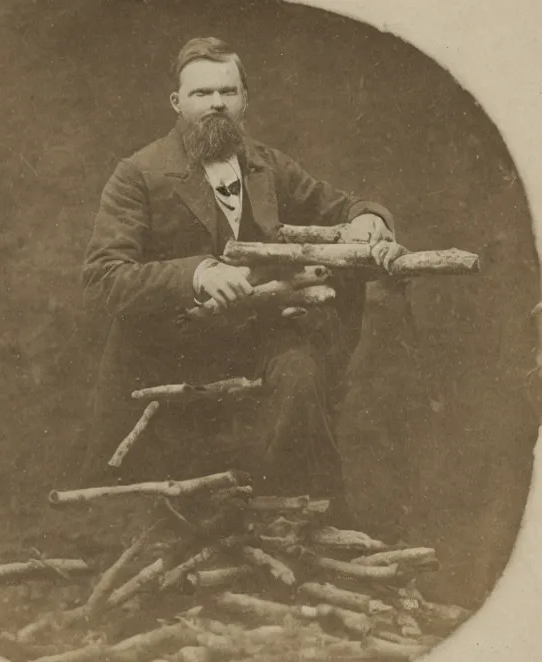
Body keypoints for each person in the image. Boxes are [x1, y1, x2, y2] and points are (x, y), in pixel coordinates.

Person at [81, 37, 406, 517]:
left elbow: (347, 208)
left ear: (244, 99)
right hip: (170, 348)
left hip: (255, 340)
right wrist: (196, 273)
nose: (216, 104)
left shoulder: (268, 166)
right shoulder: (138, 175)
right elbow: (103, 280)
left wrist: (367, 222)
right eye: (201, 94)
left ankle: (302, 514)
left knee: (302, 372)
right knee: (159, 507)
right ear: (177, 102)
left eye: (227, 92)